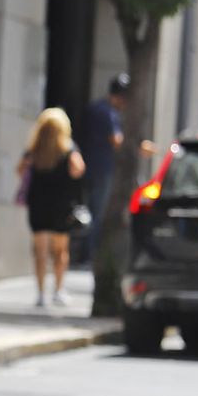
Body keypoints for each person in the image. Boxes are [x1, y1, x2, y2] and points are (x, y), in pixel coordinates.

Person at [18, 108, 86, 307]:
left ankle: (40, 293)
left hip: (38, 203)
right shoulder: (68, 148)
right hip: (61, 205)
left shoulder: (34, 149)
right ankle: (58, 290)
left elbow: (20, 170)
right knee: (60, 251)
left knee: (39, 251)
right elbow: (78, 170)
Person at [74, 73, 128, 265]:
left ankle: (83, 253)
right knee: (96, 213)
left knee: (86, 211)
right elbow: (116, 141)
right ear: (121, 97)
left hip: (86, 167)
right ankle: (88, 255)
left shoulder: (94, 108)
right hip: (102, 170)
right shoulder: (109, 113)